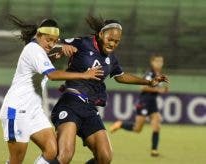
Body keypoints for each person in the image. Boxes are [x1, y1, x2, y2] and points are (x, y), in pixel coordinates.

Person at [50, 15, 168, 164]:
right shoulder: (83, 43)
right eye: (110, 39)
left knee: (105, 157)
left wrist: (149, 82)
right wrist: (61, 46)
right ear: (100, 34)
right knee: (65, 155)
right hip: (71, 103)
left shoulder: (111, 59)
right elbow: (51, 44)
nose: (112, 44)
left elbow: (121, 76)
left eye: (116, 41)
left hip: (89, 109)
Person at [0, 15, 104, 164]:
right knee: (16, 160)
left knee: (52, 150)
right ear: (38, 35)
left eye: (55, 41)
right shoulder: (33, 49)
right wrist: (84, 75)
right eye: (48, 40)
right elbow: (53, 75)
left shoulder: (40, 51)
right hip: (17, 111)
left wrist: (57, 54)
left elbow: (42, 65)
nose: (51, 44)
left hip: (34, 112)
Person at [110, 54, 168, 157]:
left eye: (161, 61)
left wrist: (163, 89)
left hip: (152, 103)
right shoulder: (150, 74)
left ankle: (154, 150)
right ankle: (120, 124)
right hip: (144, 102)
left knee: (157, 124)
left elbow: (159, 88)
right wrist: (159, 89)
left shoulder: (159, 74)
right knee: (137, 129)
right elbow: (143, 88)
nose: (159, 63)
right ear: (152, 62)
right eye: (157, 61)